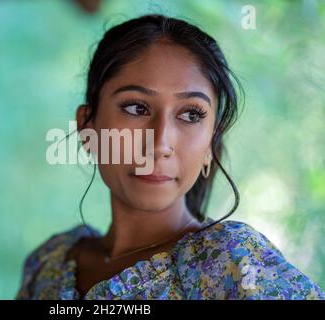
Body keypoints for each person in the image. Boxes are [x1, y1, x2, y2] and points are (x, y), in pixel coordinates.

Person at [16, 14, 325, 300]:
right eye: (137, 108)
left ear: (211, 142)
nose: (160, 142)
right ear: (87, 127)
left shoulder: (233, 264)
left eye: (191, 114)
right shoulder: (48, 264)